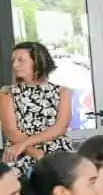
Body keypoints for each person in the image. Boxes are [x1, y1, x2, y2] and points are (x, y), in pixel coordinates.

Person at [0, 41, 73, 182]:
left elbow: (60, 127)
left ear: (38, 62)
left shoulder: (63, 92)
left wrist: (25, 144)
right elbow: (10, 131)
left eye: (21, 60)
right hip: (20, 156)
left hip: (56, 155)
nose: (15, 65)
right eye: (13, 61)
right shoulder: (6, 93)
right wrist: (34, 152)